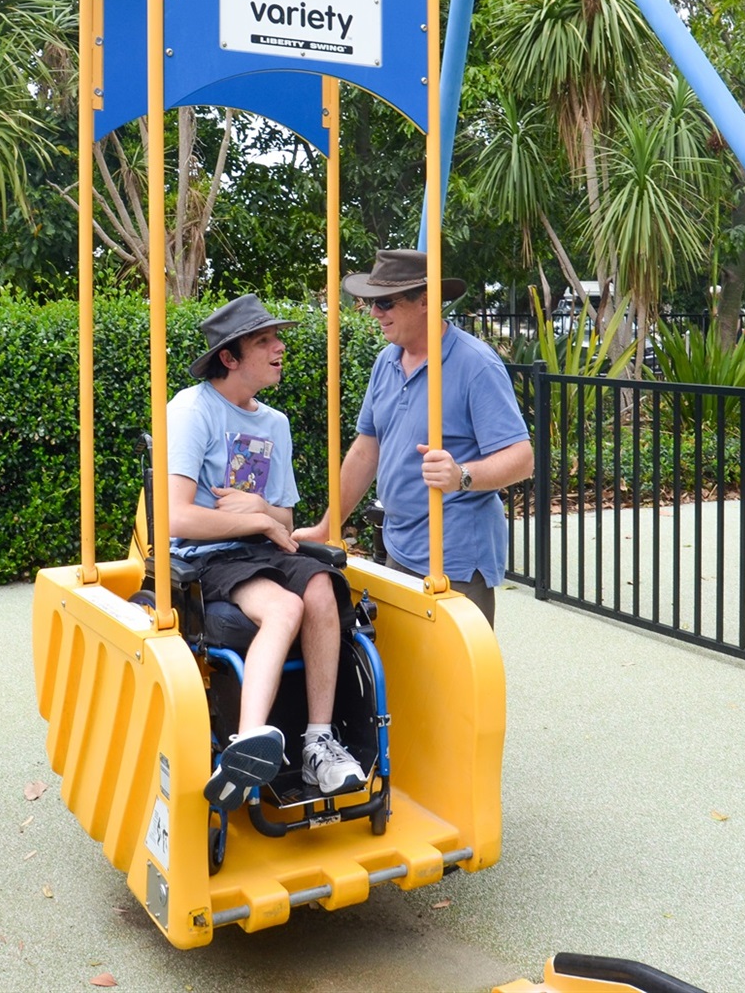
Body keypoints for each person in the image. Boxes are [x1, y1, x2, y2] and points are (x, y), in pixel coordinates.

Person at [168, 294, 366, 811]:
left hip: (265, 547)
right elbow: (174, 516)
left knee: (322, 586)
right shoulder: (192, 410)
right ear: (229, 358)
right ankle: (244, 744)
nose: (280, 347)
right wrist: (253, 519)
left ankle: (317, 743)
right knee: (286, 606)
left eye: (276, 338)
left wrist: (258, 509)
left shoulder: (274, 424)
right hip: (208, 554)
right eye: (264, 341)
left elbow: (284, 521)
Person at [295, 249, 533, 625]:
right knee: (405, 673)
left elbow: (521, 458)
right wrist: (328, 526)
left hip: (453, 556)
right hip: (398, 545)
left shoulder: (475, 364)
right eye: (372, 302)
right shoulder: (386, 361)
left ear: (426, 301)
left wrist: (462, 476)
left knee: (453, 679)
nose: (375, 313)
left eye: (385, 302)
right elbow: (365, 451)